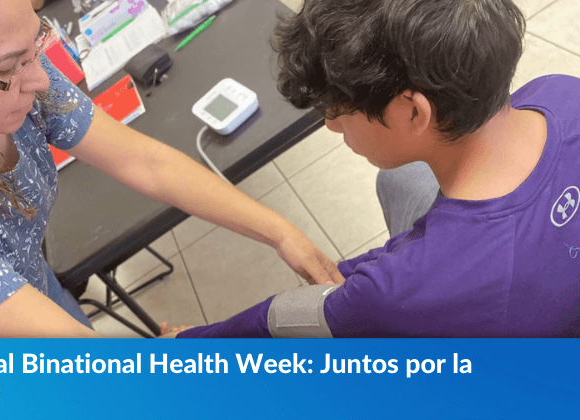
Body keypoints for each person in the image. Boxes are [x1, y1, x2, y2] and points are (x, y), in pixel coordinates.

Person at [0, 0, 342, 338]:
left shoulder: (6, 84)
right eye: (9, 67)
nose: (39, 80)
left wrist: (280, 231)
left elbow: (145, 161)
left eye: (32, 48)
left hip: (29, 289)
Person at [174, 0, 580, 338]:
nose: (331, 124)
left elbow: (275, 323)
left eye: (337, 107)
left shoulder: (400, 292)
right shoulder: (561, 91)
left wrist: (188, 343)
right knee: (399, 180)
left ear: (412, 111)